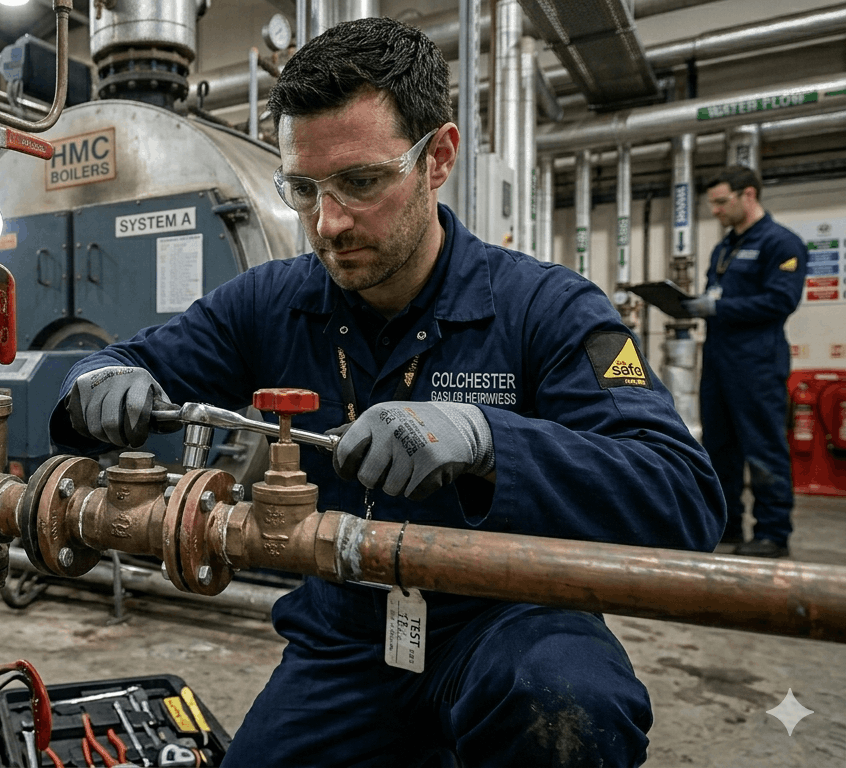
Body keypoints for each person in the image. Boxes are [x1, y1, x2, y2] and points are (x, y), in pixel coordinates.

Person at [50, 18, 725, 767]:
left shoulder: (549, 309)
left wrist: (488, 441)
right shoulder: (272, 301)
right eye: (303, 189)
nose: (327, 222)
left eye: (362, 182)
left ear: (438, 158)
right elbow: (132, 359)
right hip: (347, 636)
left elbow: (682, 496)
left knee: (566, 698)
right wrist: (100, 380)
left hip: (507, 623)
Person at [681, 167, 807, 558]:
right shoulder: (724, 248)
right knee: (719, 448)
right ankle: (728, 525)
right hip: (718, 361)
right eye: (712, 204)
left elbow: (781, 301)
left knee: (763, 448)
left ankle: (772, 533)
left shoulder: (781, 243)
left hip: (757, 363)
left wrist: (719, 305)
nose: (716, 211)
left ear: (747, 195)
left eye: (721, 202)